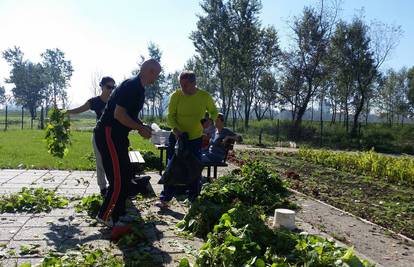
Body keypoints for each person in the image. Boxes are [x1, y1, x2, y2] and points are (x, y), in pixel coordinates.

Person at [94, 59, 161, 227]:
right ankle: (105, 215)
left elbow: (129, 115)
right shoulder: (131, 86)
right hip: (109, 133)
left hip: (119, 136)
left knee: (125, 176)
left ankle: (119, 215)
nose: (157, 78)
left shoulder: (139, 89)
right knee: (118, 179)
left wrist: (142, 126)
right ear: (150, 71)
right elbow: (119, 115)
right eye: (157, 74)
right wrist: (140, 128)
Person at [157, 71, 218, 208]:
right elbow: (170, 116)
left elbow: (214, 111)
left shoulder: (204, 96)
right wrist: (176, 130)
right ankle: (165, 199)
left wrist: (210, 120)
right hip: (177, 137)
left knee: (194, 168)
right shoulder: (176, 96)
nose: (182, 88)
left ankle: (193, 199)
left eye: (185, 85)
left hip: (195, 139)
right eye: (181, 85)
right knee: (172, 167)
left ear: (194, 83)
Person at [66, 77, 116, 196]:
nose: (111, 90)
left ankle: (114, 186)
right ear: (102, 86)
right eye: (109, 87)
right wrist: (65, 112)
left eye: (113, 87)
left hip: (113, 136)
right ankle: (103, 188)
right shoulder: (95, 101)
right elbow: (79, 110)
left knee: (112, 162)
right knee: (100, 162)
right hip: (99, 135)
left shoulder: (114, 101)